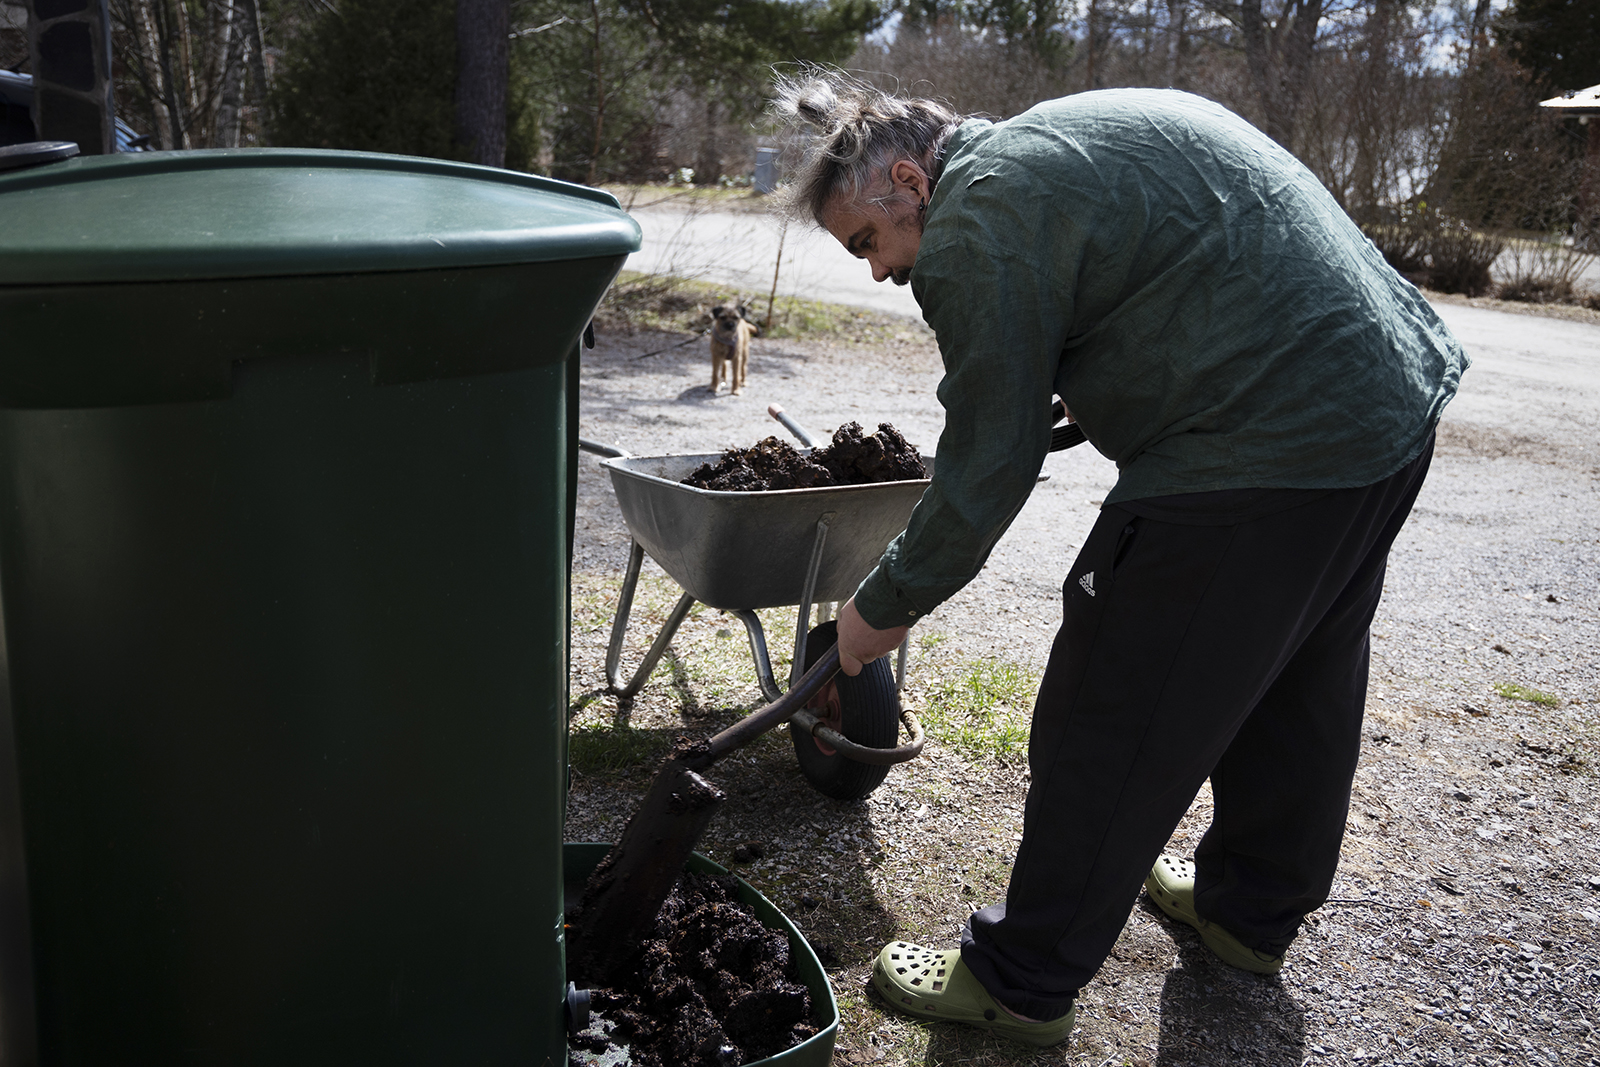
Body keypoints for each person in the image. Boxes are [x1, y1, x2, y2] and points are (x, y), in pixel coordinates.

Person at [771, 71, 1468, 1047]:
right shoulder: (1059, 137)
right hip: (1382, 404)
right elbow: (1166, 274)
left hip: (1253, 449)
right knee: (1297, 676)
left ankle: (1020, 977)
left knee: (1111, 706)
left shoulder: (978, 214)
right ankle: (1247, 911)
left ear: (906, 181)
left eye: (867, 243)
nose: (880, 271)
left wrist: (869, 616)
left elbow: (984, 470)